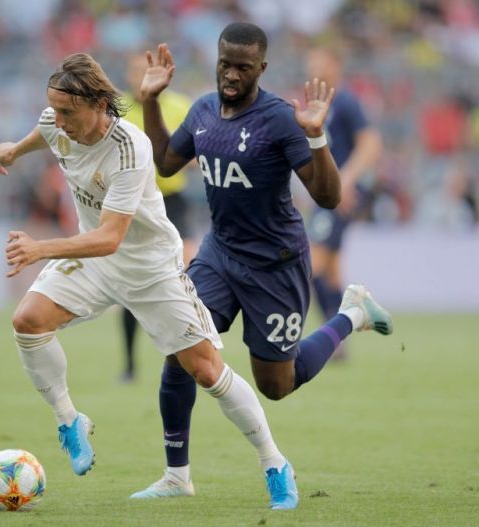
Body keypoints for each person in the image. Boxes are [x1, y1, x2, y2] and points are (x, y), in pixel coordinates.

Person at [0, 52, 300, 510]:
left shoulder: (129, 147)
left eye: (68, 113)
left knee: (206, 371)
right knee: (28, 321)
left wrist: (40, 249)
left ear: (98, 104)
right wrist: (16, 149)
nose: (59, 121)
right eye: (54, 111)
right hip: (94, 261)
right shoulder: (57, 120)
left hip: (149, 268)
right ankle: (69, 421)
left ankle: (274, 463)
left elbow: (111, 237)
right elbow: (47, 133)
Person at [130, 23, 393, 502]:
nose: (231, 75)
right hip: (220, 253)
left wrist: (317, 138)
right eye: (224, 64)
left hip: (276, 263)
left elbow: (328, 197)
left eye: (243, 68)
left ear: (262, 69)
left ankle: (352, 314)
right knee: (180, 347)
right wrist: (150, 101)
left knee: (276, 384)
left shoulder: (279, 119)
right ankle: (176, 476)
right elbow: (166, 162)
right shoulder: (204, 110)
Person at [118, 52, 194, 382]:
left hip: (171, 202)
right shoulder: (114, 107)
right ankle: (130, 365)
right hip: (132, 204)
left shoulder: (179, 105)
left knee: (185, 273)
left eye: (145, 71)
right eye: (135, 71)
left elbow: (196, 151)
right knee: (130, 285)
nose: (140, 77)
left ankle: (187, 353)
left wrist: (173, 159)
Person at [305, 45, 383, 360]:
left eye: (318, 57)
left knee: (311, 266)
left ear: (335, 63)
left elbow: (371, 144)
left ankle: (332, 336)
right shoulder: (317, 104)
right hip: (326, 194)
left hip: (341, 194)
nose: (311, 63)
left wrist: (343, 182)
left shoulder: (346, 101)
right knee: (331, 272)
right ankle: (339, 337)